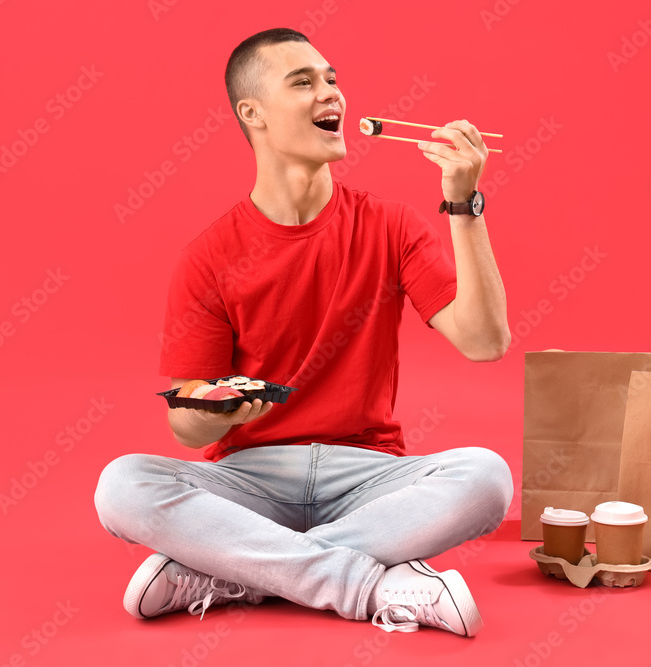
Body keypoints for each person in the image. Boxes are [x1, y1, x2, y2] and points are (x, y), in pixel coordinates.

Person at [93, 27, 512, 638]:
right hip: (248, 476)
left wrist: (463, 202)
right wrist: (224, 411)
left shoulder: (390, 225)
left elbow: (485, 342)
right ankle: (370, 585)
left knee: (486, 477)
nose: (331, 94)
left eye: (333, 80)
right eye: (304, 82)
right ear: (252, 112)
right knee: (122, 485)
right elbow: (185, 427)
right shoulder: (208, 256)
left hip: (368, 475)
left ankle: (233, 571)